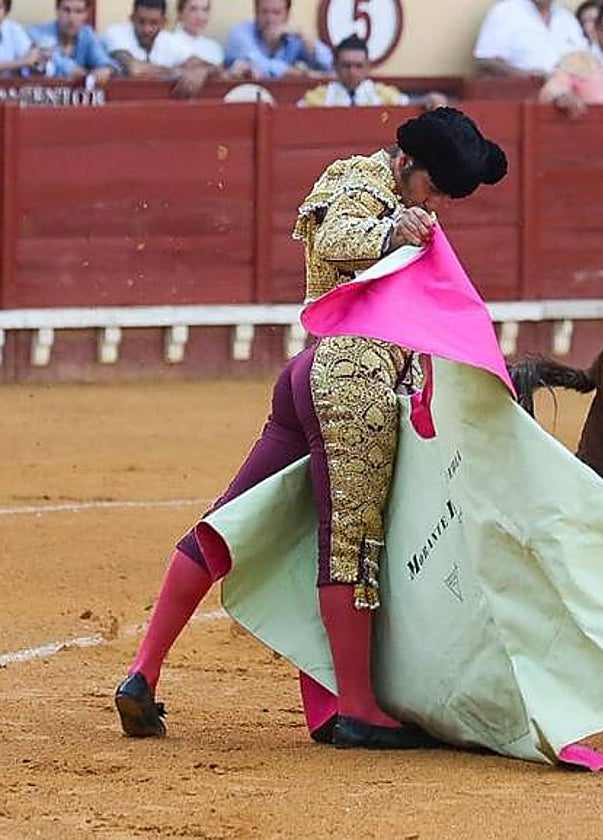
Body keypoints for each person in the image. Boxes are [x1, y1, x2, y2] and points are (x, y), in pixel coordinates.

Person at [114, 108, 508, 750]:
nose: (434, 204)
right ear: (405, 162)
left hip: (308, 380)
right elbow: (337, 237)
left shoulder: (392, 196)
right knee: (350, 542)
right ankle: (356, 708)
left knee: (232, 520)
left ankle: (144, 675)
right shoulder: (360, 182)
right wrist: (389, 233)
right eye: (432, 187)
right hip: (352, 380)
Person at [299, 34, 449, 107]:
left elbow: (408, 103)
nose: (352, 72)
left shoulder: (381, 93)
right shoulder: (320, 96)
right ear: (336, 66)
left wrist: (429, 99)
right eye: (346, 65)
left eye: (358, 66)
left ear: (367, 67)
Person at [473, 0, 587, 79]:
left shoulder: (566, 17)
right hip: (519, 97)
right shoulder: (505, 11)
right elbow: (485, 62)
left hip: (567, 101)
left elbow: (585, 60)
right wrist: (526, 75)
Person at [225, 0, 332, 79]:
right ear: (256, 13)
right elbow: (259, 64)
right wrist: (304, 74)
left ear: (287, 15)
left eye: (276, 13)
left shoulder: (293, 38)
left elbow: (329, 64)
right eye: (264, 12)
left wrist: (305, 37)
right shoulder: (241, 33)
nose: (270, 19)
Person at [25, 0, 118, 82]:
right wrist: (75, 70)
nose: (71, 18)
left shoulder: (87, 34)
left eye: (78, 12)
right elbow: (52, 63)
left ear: (86, 14)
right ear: (57, 11)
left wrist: (107, 69)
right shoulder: (38, 34)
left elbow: (105, 61)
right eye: (66, 10)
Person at [102, 0, 188, 78]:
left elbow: (195, 63)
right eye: (141, 21)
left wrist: (198, 70)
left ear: (163, 22)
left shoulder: (170, 40)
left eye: (154, 23)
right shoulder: (115, 33)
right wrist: (176, 71)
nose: (147, 29)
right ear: (132, 18)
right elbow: (135, 69)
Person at [0, 0, 49, 77]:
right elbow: (26, 61)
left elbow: (31, 59)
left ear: (6, 11)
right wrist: (23, 62)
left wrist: (40, 58)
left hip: (9, 87)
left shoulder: (12, 29)